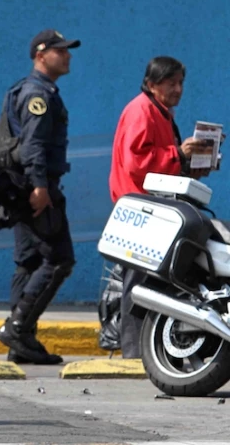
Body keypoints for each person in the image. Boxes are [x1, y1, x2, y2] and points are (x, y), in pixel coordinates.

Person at [109, 55, 209, 358]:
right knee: (139, 283)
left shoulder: (160, 113)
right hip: (141, 209)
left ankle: (147, 351)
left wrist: (193, 165)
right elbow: (137, 162)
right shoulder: (141, 111)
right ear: (152, 84)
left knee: (154, 282)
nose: (178, 89)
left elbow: (162, 166)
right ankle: (133, 353)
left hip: (154, 207)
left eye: (180, 83)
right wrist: (179, 153)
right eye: (170, 83)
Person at [0, 29, 80, 365]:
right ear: (41, 55)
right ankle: (18, 327)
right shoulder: (37, 94)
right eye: (61, 51)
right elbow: (33, 145)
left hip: (23, 186)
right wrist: (40, 187)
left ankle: (22, 342)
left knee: (28, 262)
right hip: (36, 188)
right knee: (59, 259)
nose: (68, 55)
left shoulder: (32, 90)